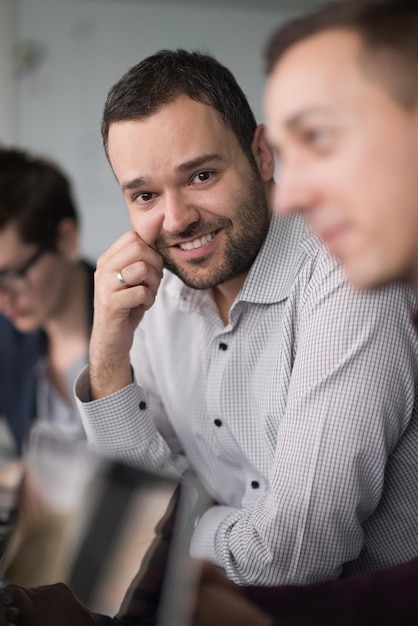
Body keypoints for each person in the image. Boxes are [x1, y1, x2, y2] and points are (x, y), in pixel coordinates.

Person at [1, 30, 418, 626]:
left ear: (262, 155)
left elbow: (290, 561)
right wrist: (110, 358)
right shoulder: (160, 298)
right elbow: (122, 520)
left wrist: (171, 532)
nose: (175, 220)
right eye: (144, 194)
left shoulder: (349, 282)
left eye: (200, 176)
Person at [0, 147, 96, 586]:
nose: (4, 299)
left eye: (12, 274)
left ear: (66, 239)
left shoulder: (147, 325)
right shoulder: (9, 342)